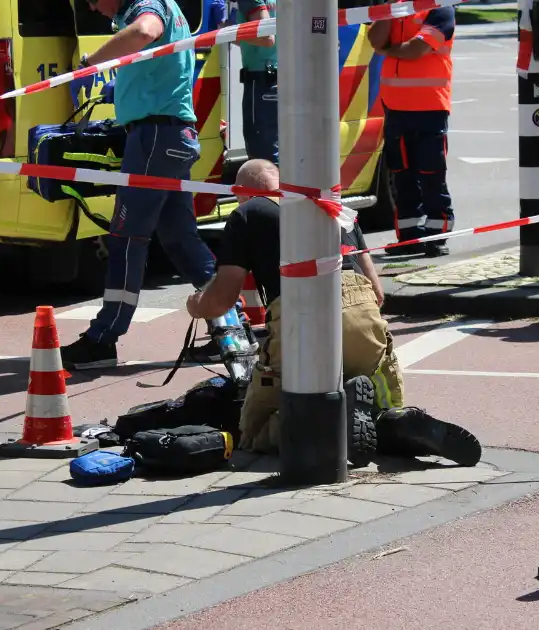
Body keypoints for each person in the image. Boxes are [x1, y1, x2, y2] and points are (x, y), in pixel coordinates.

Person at [185, 159, 481, 468]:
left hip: (301, 317)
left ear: (242, 193)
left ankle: (334, 424)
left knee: (254, 432)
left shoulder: (248, 213)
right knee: (378, 404)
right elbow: (377, 293)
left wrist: (196, 305)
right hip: (363, 316)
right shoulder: (333, 207)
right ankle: (397, 424)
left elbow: (222, 299)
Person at [61, 0, 216, 370]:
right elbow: (155, 59)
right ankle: (229, 326)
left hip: (154, 139)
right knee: (181, 239)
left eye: (94, 0)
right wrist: (122, 86)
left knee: (127, 238)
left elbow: (145, 31)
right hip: (174, 136)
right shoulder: (170, 7)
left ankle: (104, 338)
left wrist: (91, 63)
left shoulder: (147, 6)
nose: (94, 9)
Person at [369, 2, 456, 258]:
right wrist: (386, 11)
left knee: (431, 174)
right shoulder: (395, 8)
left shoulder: (440, 9)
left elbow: (416, 50)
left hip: (430, 107)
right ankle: (408, 237)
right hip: (395, 108)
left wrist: (387, 49)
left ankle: (437, 237)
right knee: (402, 176)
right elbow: (375, 39)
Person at [233, 0, 278, 164]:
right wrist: (225, 34)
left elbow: (266, 37)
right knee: (277, 149)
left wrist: (231, 32)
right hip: (277, 78)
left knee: (262, 156)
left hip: (261, 82)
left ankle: (270, 189)